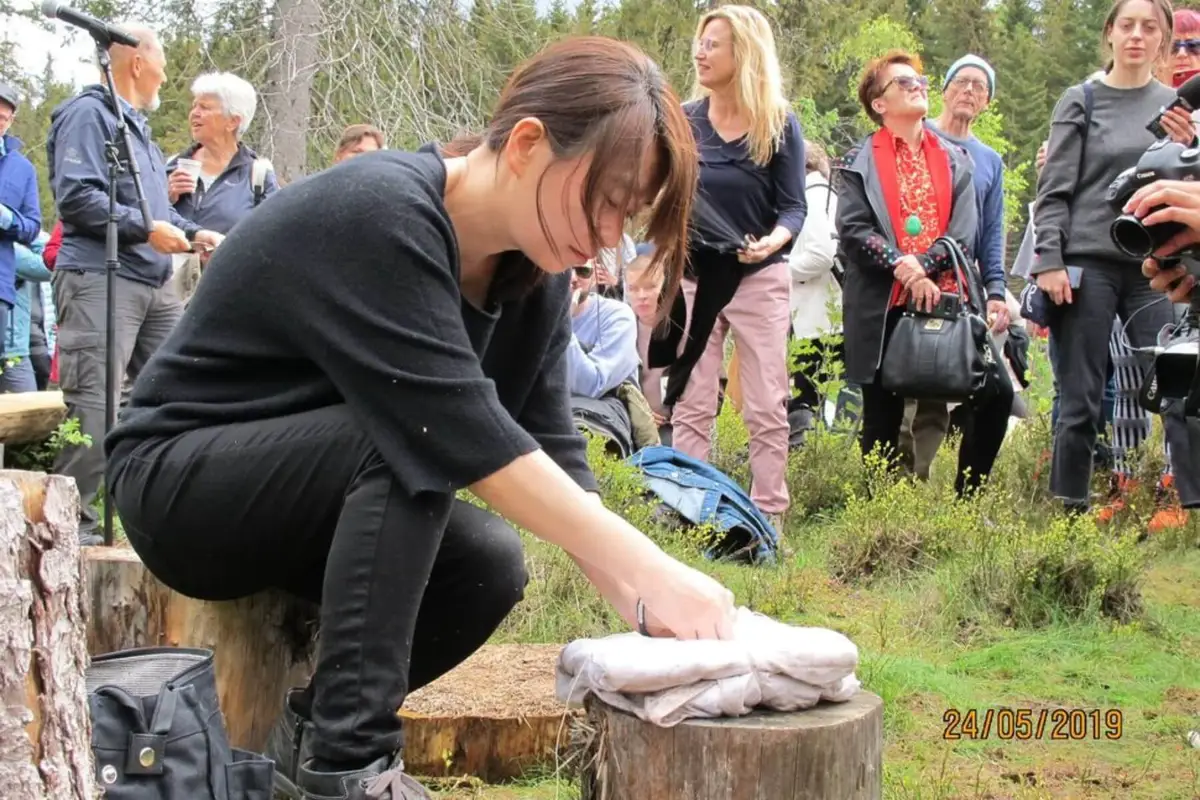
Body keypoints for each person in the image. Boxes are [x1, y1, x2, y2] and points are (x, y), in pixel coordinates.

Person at [104, 36, 736, 800]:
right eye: (605, 198)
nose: (609, 234)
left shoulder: (533, 275)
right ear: (527, 143)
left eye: (626, 214)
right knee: (413, 443)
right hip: (180, 482)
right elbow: (450, 427)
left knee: (489, 564)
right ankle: (351, 769)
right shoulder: (381, 211)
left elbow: (551, 442)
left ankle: (307, 734)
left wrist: (640, 598)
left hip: (305, 499)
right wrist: (653, 568)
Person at [47, 24, 224, 545]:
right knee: (95, 407)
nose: (166, 77)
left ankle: (154, 519)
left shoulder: (137, 129)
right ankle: (72, 536)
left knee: (175, 393)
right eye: (162, 65)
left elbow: (157, 208)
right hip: (100, 278)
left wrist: (193, 233)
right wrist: (147, 230)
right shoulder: (88, 114)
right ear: (138, 62)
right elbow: (76, 197)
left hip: (154, 284)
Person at [1032, 0, 1200, 515]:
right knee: (1080, 397)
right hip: (1088, 261)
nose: (1136, 35)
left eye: (1149, 27)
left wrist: (1190, 144)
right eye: (1127, 25)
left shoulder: (1176, 105)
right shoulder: (1081, 99)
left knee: (1177, 383)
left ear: (1162, 39)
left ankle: (1188, 505)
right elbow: (1053, 189)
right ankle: (1070, 511)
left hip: (1157, 265)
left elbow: (1190, 187)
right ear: (1109, 33)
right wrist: (1049, 260)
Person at [837, 49, 1013, 497]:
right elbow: (853, 230)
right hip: (882, 305)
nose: (917, 87)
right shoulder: (859, 159)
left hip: (948, 303)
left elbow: (965, 231)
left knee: (996, 394)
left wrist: (927, 263)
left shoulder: (957, 159)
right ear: (880, 103)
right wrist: (902, 265)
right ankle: (880, 514)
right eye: (904, 83)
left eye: (920, 81)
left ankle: (966, 502)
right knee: (882, 415)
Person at [669, 5, 805, 532]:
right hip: (694, 277)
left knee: (767, 402)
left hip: (758, 278)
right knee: (692, 398)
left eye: (713, 44)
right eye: (699, 42)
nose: (700, 53)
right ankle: (687, 510)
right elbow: (665, 193)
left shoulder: (778, 123)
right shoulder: (685, 119)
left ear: (743, 53)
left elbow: (793, 207)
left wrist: (773, 241)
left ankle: (767, 516)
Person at [899, 54, 1010, 479]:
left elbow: (992, 232)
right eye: (961, 82)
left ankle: (917, 484)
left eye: (979, 87)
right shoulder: (917, 135)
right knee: (899, 382)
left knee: (937, 381)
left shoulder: (990, 161)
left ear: (987, 102)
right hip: (905, 276)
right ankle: (887, 484)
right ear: (943, 90)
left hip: (956, 286)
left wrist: (995, 290)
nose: (969, 91)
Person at [0, 82, 43, 361]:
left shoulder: (22, 169)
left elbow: (32, 227)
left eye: (2, 118)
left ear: (11, 121)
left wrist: (5, 218)